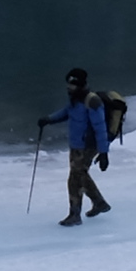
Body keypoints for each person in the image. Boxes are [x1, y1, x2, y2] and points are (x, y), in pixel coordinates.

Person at [56, 69, 118, 224]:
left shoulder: (92, 101)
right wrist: (48, 119)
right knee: (79, 175)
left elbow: (100, 128)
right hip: (76, 146)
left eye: (71, 84)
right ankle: (98, 203)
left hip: (87, 146)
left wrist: (103, 153)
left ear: (79, 84)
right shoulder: (75, 99)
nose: (68, 87)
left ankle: (76, 215)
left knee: (75, 178)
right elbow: (66, 113)